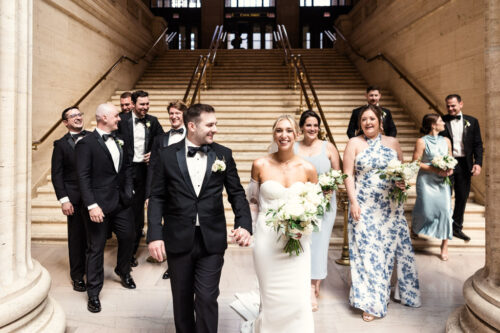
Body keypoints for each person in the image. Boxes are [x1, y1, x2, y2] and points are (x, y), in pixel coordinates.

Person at [147, 103, 252, 333]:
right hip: (177, 238)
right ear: (192, 126)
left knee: (206, 297)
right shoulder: (166, 156)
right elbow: (157, 197)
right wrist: (154, 235)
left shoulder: (223, 154)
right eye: (210, 124)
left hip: (211, 239)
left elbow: (236, 193)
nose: (215, 129)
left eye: (216, 124)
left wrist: (244, 224)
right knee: (182, 300)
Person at [343, 104, 421, 322]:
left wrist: (403, 184)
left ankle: (380, 294)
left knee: (384, 256)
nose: (368, 122)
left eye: (371, 119)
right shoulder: (354, 143)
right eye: (363, 120)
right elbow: (348, 175)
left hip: (390, 207)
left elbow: (401, 173)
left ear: (380, 121)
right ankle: (371, 302)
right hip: (364, 206)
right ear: (359, 124)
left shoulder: (393, 142)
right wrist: (353, 202)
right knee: (366, 255)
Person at [246, 114, 318, 332]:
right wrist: (253, 232)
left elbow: (315, 205)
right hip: (267, 238)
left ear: (297, 134)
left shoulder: (308, 168)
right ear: (274, 134)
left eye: (288, 130)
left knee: (297, 295)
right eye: (279, 130)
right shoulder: (260, 164)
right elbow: (253, 201)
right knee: (269, 294)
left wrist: (304, 226)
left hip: (298, 239)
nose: (284, 135)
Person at [76, 103, 136, 313]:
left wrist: (129, 191)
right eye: (116, 116)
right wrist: (92, 205)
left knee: (129, 236)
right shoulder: (86, 143)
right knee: (96, 248)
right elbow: (82, 177)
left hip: (121, 201)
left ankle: (123, 270)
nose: (119, 119)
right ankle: (93, 293)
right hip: (98, 205)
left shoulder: (120, 138)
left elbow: (127, 166)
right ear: (103, 118)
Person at [294, 110, 340, 311]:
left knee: (320, 245)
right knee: (303, 242)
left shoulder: (328, 147)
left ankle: (313, 286)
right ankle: (304, 282)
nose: (312, 129)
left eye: (315, 125)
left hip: (325, 203)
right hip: (300, 202)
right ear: (302, 127)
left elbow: (338, 175)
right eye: (308, 125)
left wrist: (331, 186)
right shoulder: (294, 147)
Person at [117, 90, 164, 267]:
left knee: (138, 214)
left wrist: (155, 153)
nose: (145, 107)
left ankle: (131, 253)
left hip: (145, 171)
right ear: (134, 104)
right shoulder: (122, 120)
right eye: (142, 104)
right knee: (127, 210)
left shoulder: (153, 121)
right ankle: (126, 249)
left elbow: (163, 142)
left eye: (147, 104)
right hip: (126, 171)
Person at [145, 99, 188, 279]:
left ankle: (187, 262)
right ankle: (173, 266)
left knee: (184, 228)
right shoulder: (160, 139)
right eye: (171, 113)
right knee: (168, 230)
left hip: (185, 191)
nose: (174, 116)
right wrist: (149, 194)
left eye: (177, 113)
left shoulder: (193, 136)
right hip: (163, 191)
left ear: (184, 115)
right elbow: (153, 167)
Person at [51, 106, 89, 292]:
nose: (77, 117)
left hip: (94, 197)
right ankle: (77, 276)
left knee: (94, 238)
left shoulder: (93, 137)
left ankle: (93, 272)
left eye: (79, 114)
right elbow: (57, 175)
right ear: (65, 122)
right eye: (72, 116)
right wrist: (64, 200)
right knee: (76, 239)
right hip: (73, 198)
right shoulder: (60, 144)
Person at [439, 94, 483, 241]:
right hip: (447, 164)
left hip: (465, 164)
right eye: (448, 106)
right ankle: (443, 227)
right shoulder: (442, 121)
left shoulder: (472, 121)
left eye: (453, 105)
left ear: (461, 104)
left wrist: (478, 163)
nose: (450, 108)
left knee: (462, 197)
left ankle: (457, 228)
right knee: (445, 196)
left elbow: (478, 144)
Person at [412, 114, 454, 260]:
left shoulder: (446, 140)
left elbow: (451, 158)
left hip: (443, 182)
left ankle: (444, 245)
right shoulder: (421, 141)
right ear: (433, 125)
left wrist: (450, 168)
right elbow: (416, 162)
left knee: (446, 212)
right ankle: (416, 226)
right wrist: (434, 169)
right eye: (441, 121)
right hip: (426, 181)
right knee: (426, 211)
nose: (444, 123)